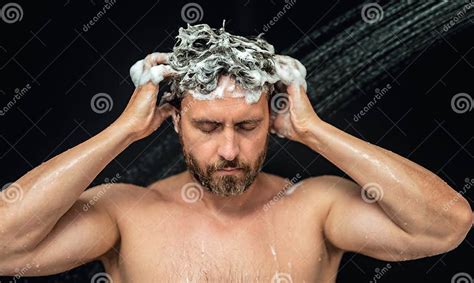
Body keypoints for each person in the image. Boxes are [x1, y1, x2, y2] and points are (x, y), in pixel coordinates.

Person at [0, 24, 471, 283]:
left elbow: (447, 225)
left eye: (247, 126)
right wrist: (121, 131)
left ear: (274, 119)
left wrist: (314, 131)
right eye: (207, 126)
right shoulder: (126, 213)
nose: (229, 149)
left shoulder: (316, 208)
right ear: (175, 120)